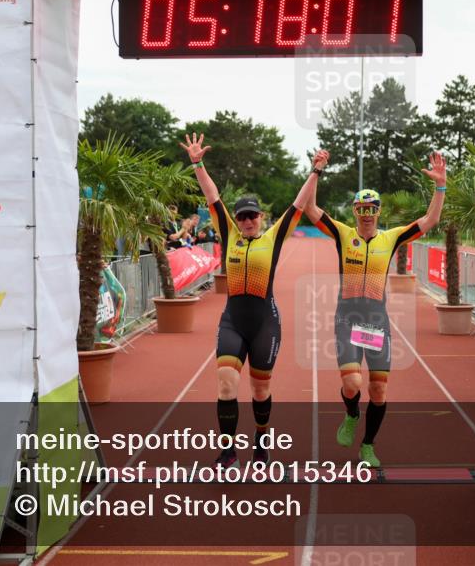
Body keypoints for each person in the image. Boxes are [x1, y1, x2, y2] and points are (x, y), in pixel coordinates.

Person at [181, 133, 327, 468]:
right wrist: (197, 163)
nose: (247, 221)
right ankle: (229, 450)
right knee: (226, 384)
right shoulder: (228, 232)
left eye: (253, 216)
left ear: (261, 218)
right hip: (232, 321)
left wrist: (315, 172)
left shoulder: (273, 238)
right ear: (236, 219)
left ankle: (262, 442)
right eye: (243, 216)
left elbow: (299, 204)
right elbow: (212, 195)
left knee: (260, 391)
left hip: (265, 323)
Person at [303, 152, 446, 467]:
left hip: (376, 321)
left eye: (372, 209)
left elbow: (430, 221)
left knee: (379, 389)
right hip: (347, 318)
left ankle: (368, 445)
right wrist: (317, 170)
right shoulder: (343, 234)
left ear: (378, 212)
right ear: (355, 211)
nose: (367, 214)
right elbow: (310, 210)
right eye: (361, 209)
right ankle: (352, 413)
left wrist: (440, 188)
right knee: (352, 383)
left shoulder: (391, 238)